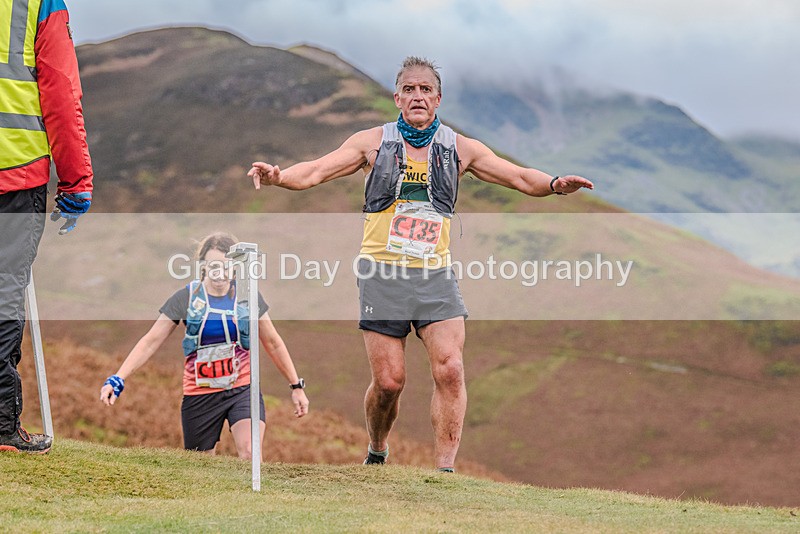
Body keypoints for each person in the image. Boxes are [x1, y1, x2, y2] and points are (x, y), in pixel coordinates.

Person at [248, 56, 593, 472]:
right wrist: (278, 176)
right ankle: (377, 446)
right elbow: (316, 171)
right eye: (408, 89)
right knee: (390, 382)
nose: (417, 96)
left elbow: (519, 177)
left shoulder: (460, 148)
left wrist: (555, 185)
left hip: (435, 275)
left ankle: (445, 471)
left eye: (425, 89)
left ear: (438, 98)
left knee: (450, 368)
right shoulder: (370, 142)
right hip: (381, 274)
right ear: (396, 97)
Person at [99, 232, 309, 458]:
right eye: (213, 266)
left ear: (236, 266)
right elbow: (151, 341)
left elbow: (273, 342)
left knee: (250, 451)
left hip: (242, 388)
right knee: (201, 466)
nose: (220, 273)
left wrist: (296, 386)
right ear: (203, 266)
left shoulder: (248, 296)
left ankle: (248, 494)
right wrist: (119, 377)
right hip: (200, 393)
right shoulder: (185, 298)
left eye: (226, 266)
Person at [0, 0, 93, 454]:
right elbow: (59, 92)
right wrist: (76, 181)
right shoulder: (39, 4)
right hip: (15, 173)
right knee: (4, 293)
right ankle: (0, 426)